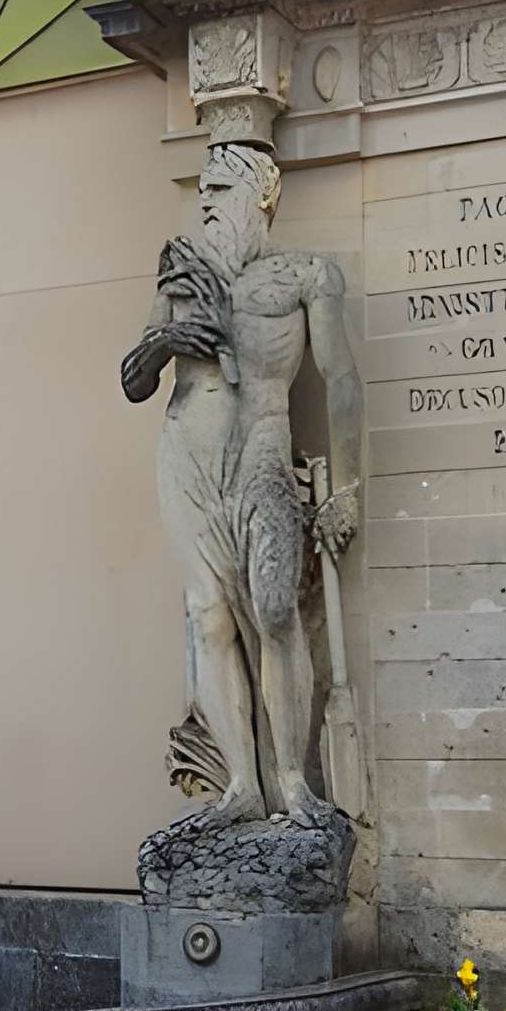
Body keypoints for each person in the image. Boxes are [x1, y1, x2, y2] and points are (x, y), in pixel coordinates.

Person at [121, 142, 360, 832]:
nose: (205, 200)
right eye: (202, 188)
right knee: (209, 617)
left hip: (261, 451)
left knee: (276, 610)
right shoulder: (180, 277)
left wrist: (346, 485)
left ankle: (292, 780)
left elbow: (342, 380)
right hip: (186, 458)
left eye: (220, 188)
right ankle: (241, 790)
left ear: (262, 194)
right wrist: (168, 342)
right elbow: (133, 381)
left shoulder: (306, 276)